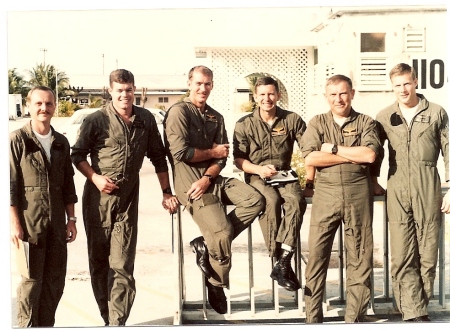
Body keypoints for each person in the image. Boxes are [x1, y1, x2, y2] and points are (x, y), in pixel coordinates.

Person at [70, 69, 179, 326]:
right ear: (110, 91)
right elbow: (77, 155)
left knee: (122, 264)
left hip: (128, 200)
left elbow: (158, 157)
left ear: (135, 90)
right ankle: (107, 317)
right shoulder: (96, 120)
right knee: (99, 263)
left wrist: (166, 192)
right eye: (119, 90)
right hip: (98, 201)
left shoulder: (145, 118)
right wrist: (95, 178)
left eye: (129, 90)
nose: (124, 95)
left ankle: (118, 322)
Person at [163, 65, 264, 314]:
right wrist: (212, 154)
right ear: (189, 84)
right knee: (220, 232)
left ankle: (206, 246)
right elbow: (180, 152)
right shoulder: (178, 112)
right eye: (198, 83)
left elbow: (223, 156)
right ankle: (216, 283)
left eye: (207, 83)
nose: (203, 88)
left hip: (210, 180)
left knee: (255, 200)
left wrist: (209, 175)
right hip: (191, 186)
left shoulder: (215, 116)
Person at [300, 74, 381, 323]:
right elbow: (311, 158)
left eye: (343, 93)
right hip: (326, 194)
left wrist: (333, 149)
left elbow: (369, 155)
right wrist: (351, 155)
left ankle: (353, 320)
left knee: (360, 257)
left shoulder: (366, 122)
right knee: (317, 257)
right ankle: (313, 319)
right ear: (326, 97)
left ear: (352, 94)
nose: (339, 99)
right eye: (333, 94)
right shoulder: (317, 122)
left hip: (358, 195)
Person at [373, 63, 449, 322]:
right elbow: (374, 153)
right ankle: (414, 311)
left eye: (407, 83)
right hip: (396, 183)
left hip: (428, 182)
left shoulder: (437, 112)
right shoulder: (385, 116)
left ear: (415, 82)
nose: (403, 89)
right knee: (402, 252)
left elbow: (449, 151)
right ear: (392, 87)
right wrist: (373, 180)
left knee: (428, 252)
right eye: (397, 85)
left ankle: (415, 307)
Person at [233, 76, 313, 291]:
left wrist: (310, 180)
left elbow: (309, 150)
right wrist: (259, 169)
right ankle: (277, 259)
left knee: (296, 201)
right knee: (271, 200)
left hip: (284, 174)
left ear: (278, 95)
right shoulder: (244, 124)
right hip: (257, 175)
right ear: (255, 97)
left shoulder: (292, 119)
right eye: (262, 95)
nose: (267, 99)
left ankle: (284, 260)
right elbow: (239, 160)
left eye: (271, 94)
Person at [10, 86, 78, 327]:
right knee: (31, 281)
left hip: (57, 224)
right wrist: (15, 224)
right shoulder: (17, 140)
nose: (44, 108)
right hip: (30, 223)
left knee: (54, 281)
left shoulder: (61, 142)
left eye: (48, 104)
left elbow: (68, 183)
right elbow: (10, 186)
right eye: (38, 103)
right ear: (28, 106)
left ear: (54, 107)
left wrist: (71, 220)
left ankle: (46, 326)